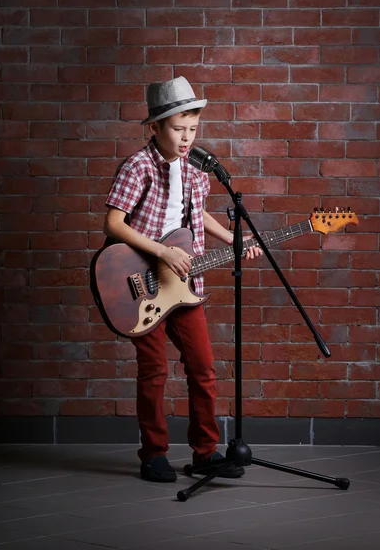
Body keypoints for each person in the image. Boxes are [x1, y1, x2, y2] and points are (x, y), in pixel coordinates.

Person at [103, 76, 262, 483]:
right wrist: (162, 252)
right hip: (141, 283)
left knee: (203, 368)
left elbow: (197, 217)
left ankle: (205, 452)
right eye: (178, 129)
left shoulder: (196, 170)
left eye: (193, 129)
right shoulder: (138, 166)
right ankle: (153, 454)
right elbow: (113, 223)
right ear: (154, 127)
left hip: (184, 287)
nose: (187, 137)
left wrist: (235, 239)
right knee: (154, 370)